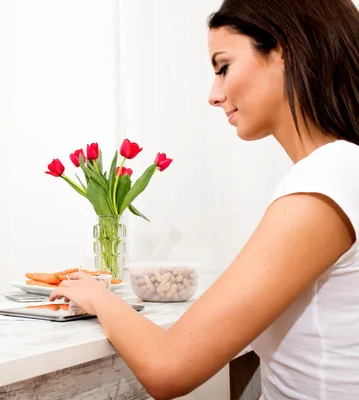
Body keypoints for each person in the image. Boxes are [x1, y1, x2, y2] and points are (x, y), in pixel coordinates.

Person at [49, 0, 359, 399]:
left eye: (224, 66)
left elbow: (168, 368)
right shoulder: (342, 169)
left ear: (284, 51)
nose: (215, 95)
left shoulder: (328, 178)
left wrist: (97, 297)